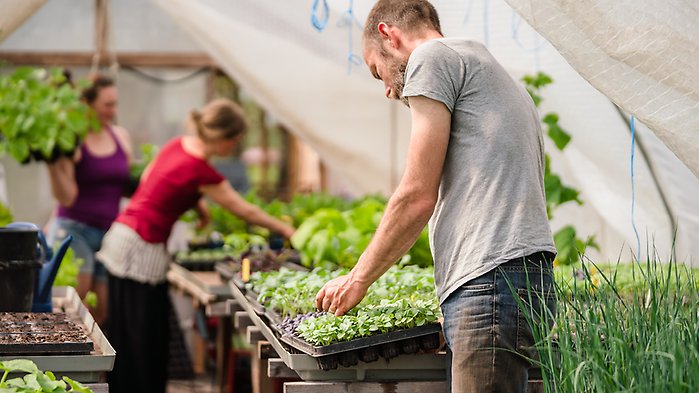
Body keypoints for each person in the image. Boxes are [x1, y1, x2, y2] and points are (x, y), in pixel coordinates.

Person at [314, 1, 557, 392]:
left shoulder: (432, 57)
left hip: (492, 280)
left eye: (379, 73)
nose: (389, 92)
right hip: (518, 277)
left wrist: (357, 280)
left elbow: (416, 195)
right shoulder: (484, 65)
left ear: (388, 35)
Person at [97, 98, 296, 393]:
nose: (235, 147)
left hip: (122, 236)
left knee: (126, 331)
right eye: (237, 140)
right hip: (141, 248)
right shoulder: (202, 172)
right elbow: (245, 210)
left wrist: (197, 205)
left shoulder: (178, 145)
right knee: (145, 334)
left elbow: (153, 178)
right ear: (224, 138)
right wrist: (285, 228)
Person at [46, 74, 132, 326]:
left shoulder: (120, 136)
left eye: (115, 104)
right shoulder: (73, 138)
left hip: (110, 234)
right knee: (74, 311)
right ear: (88, 103)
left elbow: (125, 185)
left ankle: (98, 367)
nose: (113, 111)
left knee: (103, 314)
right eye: (107, 104)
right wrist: (53, 163)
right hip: (75, 230)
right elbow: (67, 196)